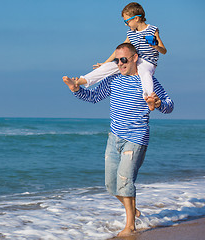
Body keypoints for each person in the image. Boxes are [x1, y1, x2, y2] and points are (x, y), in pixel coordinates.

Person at [63, 43, 174, 237]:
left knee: (125, 181)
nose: (120, 63)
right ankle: (134, 211)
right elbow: (94, 97)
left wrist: (158, 103)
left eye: (123, 59)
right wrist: (75, 89)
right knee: (110, 185)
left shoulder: (148, 81)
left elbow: (169, 105)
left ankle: (130, 225)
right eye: (116, 60)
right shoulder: (113, 79)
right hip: (114, 138)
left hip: (136, 138)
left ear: (134, 58)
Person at [75, 2, 167, 111]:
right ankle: (82, 80)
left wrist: (156, 46)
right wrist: (105, 63)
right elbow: (120, 50)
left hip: (147, 62)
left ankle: (149, 98)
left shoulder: (152, 30)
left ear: (136, 18)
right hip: (132, 60)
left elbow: (164, 50)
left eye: (127, 21)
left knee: (145, 74)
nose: (126, 24)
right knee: (107, 67)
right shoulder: (131, 33)